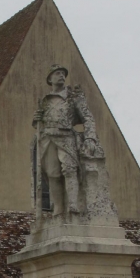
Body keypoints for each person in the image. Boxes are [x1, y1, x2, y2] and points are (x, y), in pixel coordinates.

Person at [32, 64, 101, 218]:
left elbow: (87, 118)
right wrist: (36, 120)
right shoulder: (45, 101)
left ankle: (73, 205)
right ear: (50, 78)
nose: (61, 76)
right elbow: (41, 122)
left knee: (69, 169)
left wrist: (90, 137)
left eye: (63, 73)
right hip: (48, 138)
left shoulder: (73, 97)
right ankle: (58, 208)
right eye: (57, 73)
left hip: (66, 137)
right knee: (52, 174)